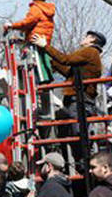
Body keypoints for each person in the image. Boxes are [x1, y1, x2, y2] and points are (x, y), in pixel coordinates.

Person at [31, 30, 105, 168]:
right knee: (69, 130)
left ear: (93, 40)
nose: (83, 38)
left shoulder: (90, 52)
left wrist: (45, 46)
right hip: (78, 100)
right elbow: (67, 70)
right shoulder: (89, 56)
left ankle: (82, 164)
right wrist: (49, 60)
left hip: (80, 101)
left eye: (86, 36)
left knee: (76, 133)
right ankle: (76, 164)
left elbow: (66, 60)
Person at [4, 0, 56, 83]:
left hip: (35, 40)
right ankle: (45, 80)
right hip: (44, 40)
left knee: (36, 65)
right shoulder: (48, 10)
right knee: (43, 62)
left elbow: (28, 22)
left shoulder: (36, 8)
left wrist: (12, 25)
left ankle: (39, 83)